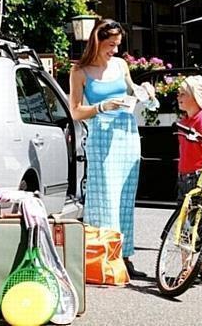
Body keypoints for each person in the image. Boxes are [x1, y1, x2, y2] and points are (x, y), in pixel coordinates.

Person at [68, 19, 154, 279]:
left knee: (125, 199)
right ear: (97, 41)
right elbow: (75, 111)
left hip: (127, 136)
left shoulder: (120, 65)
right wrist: (101, 107)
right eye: (110, 45)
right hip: (102, 138)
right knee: (103, 198)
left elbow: (132, 91)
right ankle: (102, 256)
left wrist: (145, 92)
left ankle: (124, 258)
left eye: (117, 45)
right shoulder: (80, 71)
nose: (115, 50)